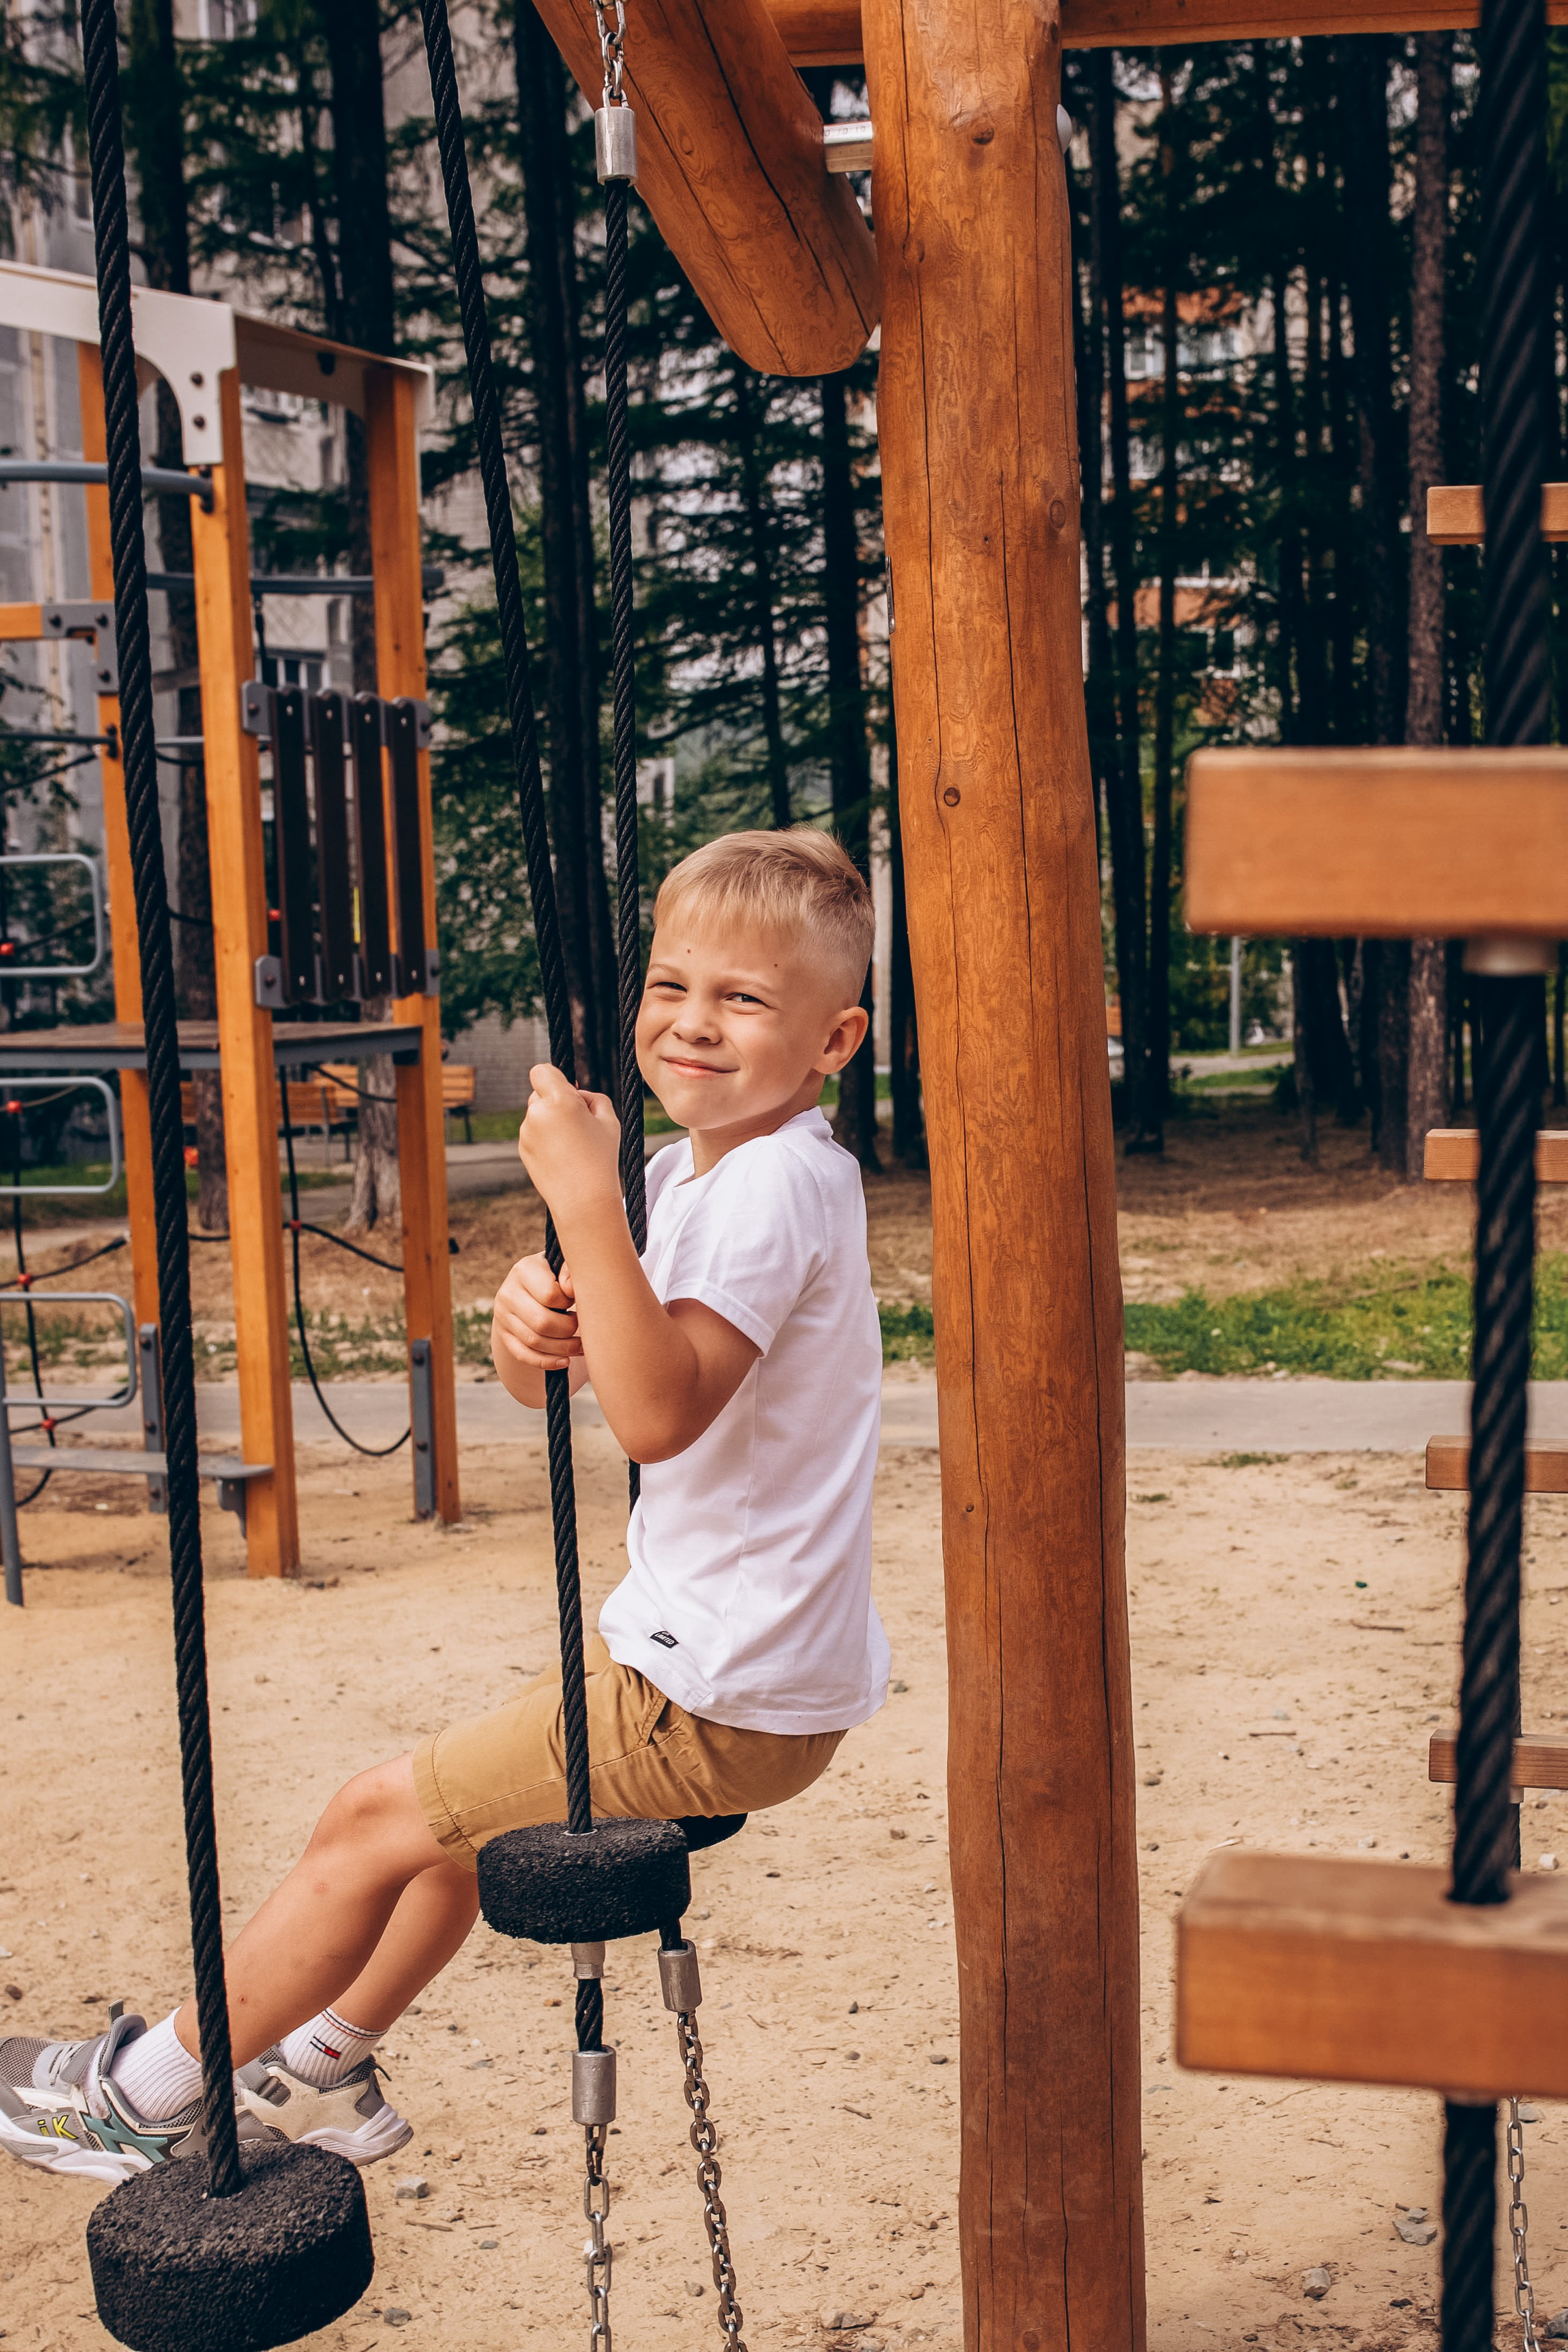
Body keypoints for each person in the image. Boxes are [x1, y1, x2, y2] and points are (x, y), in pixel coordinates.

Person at [0, 826, 890, 2180]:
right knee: (450, 1835)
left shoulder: (770, 1182)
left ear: (834, 1040)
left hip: (715, 1691)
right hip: (721, 1666)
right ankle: (322, 2067)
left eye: (743, 998)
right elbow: (578, 1378)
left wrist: (579, 1201)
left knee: (368, 1818)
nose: (692, 1022)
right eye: (671, 985)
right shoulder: (690, 1176)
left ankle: (143, 2096)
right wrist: (529, 1325)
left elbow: (657, 1414)